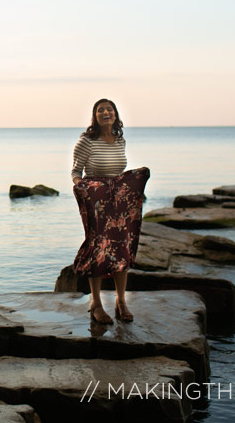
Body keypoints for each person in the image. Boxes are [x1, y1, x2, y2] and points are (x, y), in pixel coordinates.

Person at [71, 98, 150, 324]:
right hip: (96, 201)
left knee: (122, 247)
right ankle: (96, 304)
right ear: (95, 116)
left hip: (118, 201)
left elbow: (119, 172)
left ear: (115, 114)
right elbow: (76, 171)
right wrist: (82, 188)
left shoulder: (119, 140)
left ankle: (120, 301)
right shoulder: (86, 141)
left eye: (109, 109)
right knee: (99, 247)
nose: (106, 112)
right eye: (100, 110)